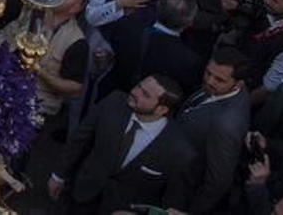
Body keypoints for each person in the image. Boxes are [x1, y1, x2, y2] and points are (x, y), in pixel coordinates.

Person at [49, 74, 194, 212]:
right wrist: (58, 175)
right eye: (138, 86)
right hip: (83, 194)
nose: (135, 92)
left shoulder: (179, 150)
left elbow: (172, 201)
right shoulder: (113, 101)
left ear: (161, 109)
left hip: (124, 210)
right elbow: (79, 139)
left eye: (145, 95)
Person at [173, 49, 254, 213]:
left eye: (219, 79)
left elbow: (218, 182)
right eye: (208, 73)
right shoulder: (219, 90)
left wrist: (192, 211)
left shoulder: (226, 125)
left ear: (238, 84)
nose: (209, 81)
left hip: (179, 189)